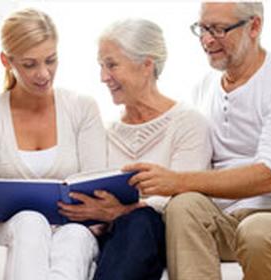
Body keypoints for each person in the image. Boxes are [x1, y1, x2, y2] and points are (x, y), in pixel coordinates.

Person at [124, 2, 271, 280]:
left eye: (218, 30)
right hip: (224, 219)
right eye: (203, 29)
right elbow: (193, 164)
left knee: (255, 231)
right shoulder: (204, 88)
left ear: (254, 27)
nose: (207, 40)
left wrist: (177, 181)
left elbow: (267, 176)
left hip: (270, 215)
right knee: (183, 206)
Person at [58, 19, 212, 280]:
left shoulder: (188, 122)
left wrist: (121, 211)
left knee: (140, 220)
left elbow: (181, 199)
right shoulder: (104, 130)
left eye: (112, 65)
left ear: (146, 65)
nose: (103, 77)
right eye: (101, 66)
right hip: (108, 235)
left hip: (156, 234)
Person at [0, 8, 106, 280]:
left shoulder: (81, 108)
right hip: (11, 227)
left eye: (51, 60)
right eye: (30, 64)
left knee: (73, 237)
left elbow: (96, 182)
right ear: (6, 61)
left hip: (74, 226)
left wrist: (93, 214)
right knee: (30, 222)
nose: (44, 74)